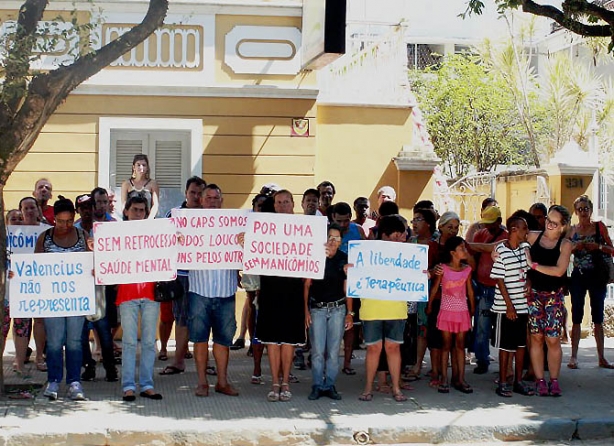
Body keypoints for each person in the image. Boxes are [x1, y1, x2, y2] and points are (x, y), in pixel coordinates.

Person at [34, 196, 90, 401]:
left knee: (75, 342)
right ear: (54, 219)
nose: (65, 225)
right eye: (60, 221)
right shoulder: (45, 238)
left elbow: (93, 264)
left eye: (68, 221)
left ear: (73, 217)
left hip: (76, 299)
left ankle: (74, 382)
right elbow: (34, 268)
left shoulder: (83, 235)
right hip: (52, 301)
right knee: (55, 342)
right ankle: (54, 380)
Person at [188, 184, 239, 398]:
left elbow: (245, 250)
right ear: (201, 201)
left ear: (221, 200)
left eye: (216, 198)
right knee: (199, 338)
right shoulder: (189, 225)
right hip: (199, 289)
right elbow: (177, 246)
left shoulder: (234, 225)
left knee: (223, 340)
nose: (212, 202)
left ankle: (222, 381)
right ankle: (202, 382)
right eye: (208, 198)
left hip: (226, 290)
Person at [256, 189, 305, 402]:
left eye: (286, 201)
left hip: (293, 290)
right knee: (272, 341)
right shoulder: (264, 228)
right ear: (274, 206)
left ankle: (285, 381)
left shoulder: (305, 229)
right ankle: (274, 382)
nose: (283, 205)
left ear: (293, 204)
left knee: (288, 341)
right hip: (270, 289)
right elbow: (253, 250)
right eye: (279, 202)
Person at [358, 215, 409, 403]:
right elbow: (357, 272)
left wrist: (422, 275)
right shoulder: (368, 252)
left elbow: (413, 277)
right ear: (385, 235)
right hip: (372, 307)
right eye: (396, 235)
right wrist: (350, 269)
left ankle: (396, 388)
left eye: (402, 235)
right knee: (374, 349)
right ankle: (368, 388)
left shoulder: (409, 255)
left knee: (393, 348)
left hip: (396, 307)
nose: (400, 239)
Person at [159, 176, 207, 375]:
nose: (196, 197)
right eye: (192, 192)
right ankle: (178, 360)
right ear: (186, 193)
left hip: (205, 274)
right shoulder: (174, 214)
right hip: (182, 273)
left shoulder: (213, 217)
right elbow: (162, 241)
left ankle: (206, 362)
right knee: (181, 317)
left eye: (199, 193)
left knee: (205, 317)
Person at [117, 195, 162, 401]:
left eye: (142, 210)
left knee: (148, 341)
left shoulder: (154, 233)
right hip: (127, 294)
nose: (138, 213)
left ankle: (146, 384)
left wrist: (175, 239)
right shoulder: (115, 234)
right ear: (126, 211)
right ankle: (127, 385)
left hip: (151, 292)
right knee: (128, 342)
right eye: (135, 209)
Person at [526, 205, 573, 397]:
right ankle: (540, 380)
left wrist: (533, 266)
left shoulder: (565, 244)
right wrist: (497, 251)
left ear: (563, 226)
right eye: (548, 220)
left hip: (554, 296)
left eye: (554, 223)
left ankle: (554, 380)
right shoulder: (533, 237)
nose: (549, 225)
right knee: (535, 337)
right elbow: (509, 241)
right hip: (534, 295)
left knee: (552, 339)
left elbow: (559, 271)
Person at [304, 224, 353, 400]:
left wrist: (350, 313)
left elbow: (348, 289)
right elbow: (307, 285)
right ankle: (317, 384)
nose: (332, 242)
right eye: (330, 237)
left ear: (341, 242)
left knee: (333, 351)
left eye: (337, 239)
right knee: (317, 350)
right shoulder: (315, 257)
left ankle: (330, 384)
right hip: (317, 309)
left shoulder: (344, 259)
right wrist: (306, 311)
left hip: (338, 309)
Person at [567, 195, 614, 370]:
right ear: (575, 211)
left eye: (585, 208)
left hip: (597, 276)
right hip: (578, 275)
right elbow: (564, 251)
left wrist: (598, 247)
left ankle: (601, 357)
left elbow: (611, 249)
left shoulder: (599, 227)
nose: (583, 212)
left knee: (598, 317)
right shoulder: (572, 230)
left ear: (591, 209)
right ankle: (573, 357)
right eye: (579, 209)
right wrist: (574, 247)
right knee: (577, 316)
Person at [490, 216, 534, 397]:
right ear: (514, 229)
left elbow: (528, 270)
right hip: (504, 307)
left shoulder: (524, 249)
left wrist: (529, 281)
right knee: (505, 346)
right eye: (524, 229)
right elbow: (499, 280)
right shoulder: (501, 250)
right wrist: (509, 306)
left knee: (520, 345)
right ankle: (502, 382)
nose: (527, 232)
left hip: (522, 305)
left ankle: (518, 381)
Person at [77, 194, 118, 383]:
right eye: (82, 207)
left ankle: (110, 368)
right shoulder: (74, 229)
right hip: (79, 288)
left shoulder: (103, 230)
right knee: (82, 332)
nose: (86, 211)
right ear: (78, 210)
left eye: (89, 207)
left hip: (101, 287)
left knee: (104, 329)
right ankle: (89, 367)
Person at [428, 236, 475, 394]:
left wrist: (472, 309)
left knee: (460, 346)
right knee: (446, 346)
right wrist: (429, 305)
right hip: (446, 312)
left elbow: (469, 291)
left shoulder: (467, 269)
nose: (465, 251)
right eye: (462, 248)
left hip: (462, 312)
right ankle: (444, 379)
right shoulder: (443, 269)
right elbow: (435, 289)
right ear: (452, 252)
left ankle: (461, 379)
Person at [471, 206, 508, 375]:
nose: (488, 227)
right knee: (481, 326)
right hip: (483, 287)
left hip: (501, 289)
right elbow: (475, 253)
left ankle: (505, 364)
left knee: (503, 327)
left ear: (499, 221)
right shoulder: (481, 234)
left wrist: (473, 245)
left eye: (491, 223)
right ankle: (482, 359)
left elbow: (488, 248)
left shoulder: (507, 237)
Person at [427, 211, 462, 388]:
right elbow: (426, 271)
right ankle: (435, 372)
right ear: (440, 227)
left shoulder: (459, 246)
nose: (453, 231)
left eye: (456, 228)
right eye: (450, 227)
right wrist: (434, 271)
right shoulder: (433, 247)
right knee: (435, 339)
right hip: (438, 297)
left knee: (454, 341)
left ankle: (456, 375)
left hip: (456, 301)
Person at [331, 201, 366, 375]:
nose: (343, 225)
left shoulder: (358, 231)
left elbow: (367, 252)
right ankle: (329, 361)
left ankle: (347, 362)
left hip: (354, 284)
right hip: (333, 284)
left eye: (346, 221)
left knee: (351, 324)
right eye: (339, 221)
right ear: (333, 218)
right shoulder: (328, 233)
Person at [404, 207, 439, 381]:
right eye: (413, 220)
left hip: (429, 292)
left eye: (418, 219)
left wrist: (431, 272)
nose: (414, 223)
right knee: (411, 327)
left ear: (429, 223)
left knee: (423, 328)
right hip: (411, 291)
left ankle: (419, 365)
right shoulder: (410, 242)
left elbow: (440, 267)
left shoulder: (436, 244)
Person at [18, 196, 47, 371]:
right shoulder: (14, 232)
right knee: (21, 323)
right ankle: (19, 360)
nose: (29, 211)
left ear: (38, 210)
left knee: (40, 321)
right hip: (20, 283)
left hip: (41, 281)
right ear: (21, 211)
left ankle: (39, 356)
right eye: (25, 208)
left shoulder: (46, 231)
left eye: (32, 208)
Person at [3, 209, 31, 378]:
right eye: (14, 219)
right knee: (3, 329)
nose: (18, 221)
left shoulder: (31, 240)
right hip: (5, 295)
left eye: (20, 218)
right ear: (7, 222)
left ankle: (19, 364)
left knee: (22, 330)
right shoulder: (2, 241)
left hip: (24, 294)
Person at [121, 154, 160, 219]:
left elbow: (155, 205)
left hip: (147, 220)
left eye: (144, 165)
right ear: (134, 167)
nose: (141, 167)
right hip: (130, 220)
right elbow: (124, 204)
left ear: (147, 168)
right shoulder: (126, 184)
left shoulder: (153, 184)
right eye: (138, 165)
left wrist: (149, 220)